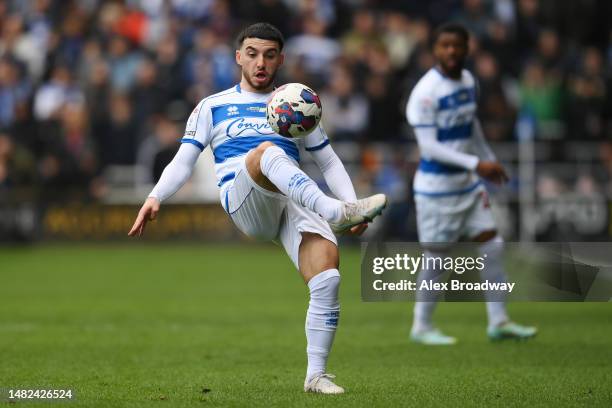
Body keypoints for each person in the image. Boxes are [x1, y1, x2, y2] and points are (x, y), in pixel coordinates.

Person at [128, 23, 387, 393]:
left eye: (269, 55)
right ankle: (335, 213)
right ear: (238, 57)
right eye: (252, 53)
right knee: (266, 152)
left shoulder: (295, 103)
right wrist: (155, 197)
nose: (260, 62)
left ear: (280, 59)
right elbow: (183, 160)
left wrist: (349, 198)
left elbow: (329, 162)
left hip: (291, 200)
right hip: (242, 198)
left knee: (328, 277)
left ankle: (316, 375)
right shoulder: (211, 106)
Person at [405, 23, 536, 345]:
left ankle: (499, 322)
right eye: (444, 46)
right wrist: (478, 164)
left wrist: (488, 158)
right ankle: (421, 327)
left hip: (467, 184)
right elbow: (430, 147)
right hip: (436, 189)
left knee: (492, 245)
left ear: (467, 48)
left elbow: (470, 123)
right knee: (437, 259)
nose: (451, 51)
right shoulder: (424, 94)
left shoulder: (467, 81)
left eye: (457, 45)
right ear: (435, 50)